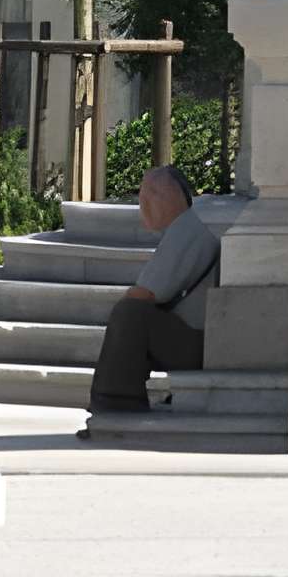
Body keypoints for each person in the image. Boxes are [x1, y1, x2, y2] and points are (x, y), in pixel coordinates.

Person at [90, 165, 217, 420]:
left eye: (147, 196)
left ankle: (116, 401)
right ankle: (113, 399)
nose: (143, 206)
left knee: (129, 314)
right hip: (196, 337)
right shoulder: (186, 229)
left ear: (165, 198)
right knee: (129, 313)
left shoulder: (186, 232)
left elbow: (147, 293)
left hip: (196, 343)